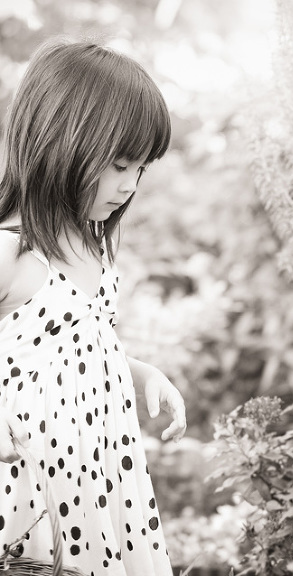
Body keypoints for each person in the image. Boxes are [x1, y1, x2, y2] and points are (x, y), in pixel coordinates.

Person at [0, 38, 186, 574]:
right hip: (33, 481)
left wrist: (142, 372)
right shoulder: (12, 252)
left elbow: (73, 352)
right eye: (119, 164)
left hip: (101, 477)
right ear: (59, 143)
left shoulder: (93, 243)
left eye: (141, 169)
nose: (129, 186)